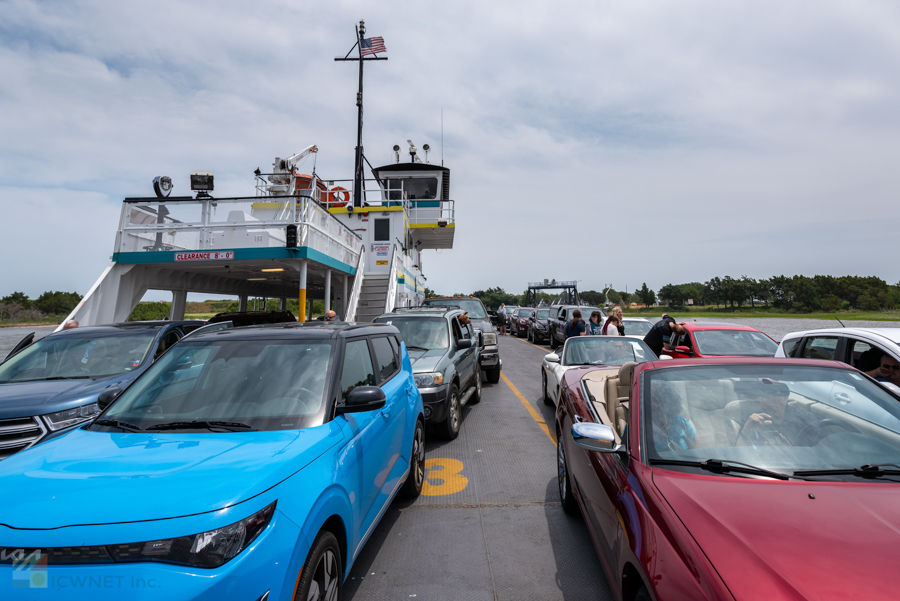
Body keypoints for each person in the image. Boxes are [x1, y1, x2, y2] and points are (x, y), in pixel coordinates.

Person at [734, 381, 814, 447]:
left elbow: (820, 450)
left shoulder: (806, 419)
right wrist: (747, 430)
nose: (771, 400)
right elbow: (738, 452)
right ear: (759, 398)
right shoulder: (751, 421)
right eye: (766, 396)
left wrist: (791, 450)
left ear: (786, 397)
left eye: (776, 395)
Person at [650, 380, 697, 451]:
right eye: (649, 399)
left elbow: (696, 453)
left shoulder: (681, 423)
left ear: (669, 402)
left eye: (656, 400)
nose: (653, 404)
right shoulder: (642, 427)